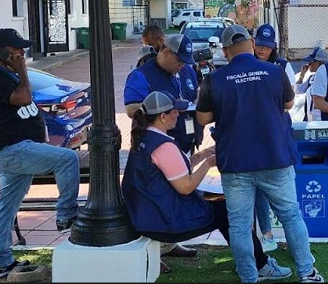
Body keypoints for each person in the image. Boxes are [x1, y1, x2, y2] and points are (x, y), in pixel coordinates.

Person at [196, 25, 324, 283]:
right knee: (290, 215)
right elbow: (288, 104)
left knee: (240, 225)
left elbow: (202, 118)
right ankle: (307, 273)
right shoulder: (274, 72)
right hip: (274, 158)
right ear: (252, 44)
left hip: (235, 163)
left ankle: (249, 277)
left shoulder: (215, 79)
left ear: (225, 50)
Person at [121, 91, 292, 281]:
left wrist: (203, 154)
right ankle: (259, 264)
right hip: (164, 221)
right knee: (229, 212)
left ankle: (248, 259)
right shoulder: (164, 146)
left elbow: (175, 169)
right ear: (162, 117)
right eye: (175, 112)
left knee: (221, 207)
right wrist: (209, 163)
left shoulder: (144, 138)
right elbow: (185, 186)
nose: (178, 114)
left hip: (147, 214)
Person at [0, 28, 80, 279]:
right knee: (68, 158)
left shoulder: (9, 75)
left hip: (16, 150)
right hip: (12, 149)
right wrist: (23, 70)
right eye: (16, 49)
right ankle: (66, 215)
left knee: (7, 208)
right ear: (0, 52)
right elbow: (24, 99)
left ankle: (0, 262)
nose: (21, 53)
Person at [124, 34, 200, 259]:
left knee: (178, 196)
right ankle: (156, 249)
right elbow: (131, 109)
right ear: (165, 51)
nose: (182, 65)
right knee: (162, 198)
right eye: (179, 60)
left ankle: (169, 245)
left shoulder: (185, 71)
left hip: (184, 140)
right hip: (158, 145)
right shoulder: (141, 74)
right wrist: (163, 105)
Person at [252, 23, 295, 251]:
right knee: (257, 185)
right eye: (259, 45)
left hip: (278, 132)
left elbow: (289, 102)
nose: (261, 50)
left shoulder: (282, 66)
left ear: (273, 48)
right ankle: (266, 234)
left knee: (283, 184)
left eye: (266, 47)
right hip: (253, 132)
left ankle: (292, 236)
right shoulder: (246, 66)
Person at [293, 47, 328, 122]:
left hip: (322, 120)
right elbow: (298, 91)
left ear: (321, 63)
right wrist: (302, 75)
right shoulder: (312, 78)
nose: (309, 64)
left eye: (312, 61)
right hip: (310, 119)